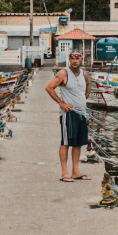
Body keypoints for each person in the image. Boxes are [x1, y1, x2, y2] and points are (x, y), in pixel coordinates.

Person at [45, 50, 92, 182]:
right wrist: (61, 103)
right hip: (69, 113)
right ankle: (64, 173)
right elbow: (49, 87)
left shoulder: (84, 74)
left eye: (77, 58)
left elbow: (88, 85)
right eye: (72, 58)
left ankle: (76, 171)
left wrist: (84, 98)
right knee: (66, 142)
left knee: (77, 143)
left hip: (82, 113)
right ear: (69, 60)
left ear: (81, 59)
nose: (74, 60)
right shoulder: (64, 73)